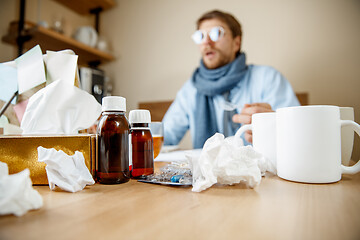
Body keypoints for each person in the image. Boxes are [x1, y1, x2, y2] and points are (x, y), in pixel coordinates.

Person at [163, 9, 299, 149]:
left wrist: (273, 126)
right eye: (201, 36)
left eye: (216, 33)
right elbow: (163, 137)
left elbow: (298, 132)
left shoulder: (268, 78)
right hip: (205, 171)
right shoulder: (190, 90)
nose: (207, 42)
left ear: (236, 43)